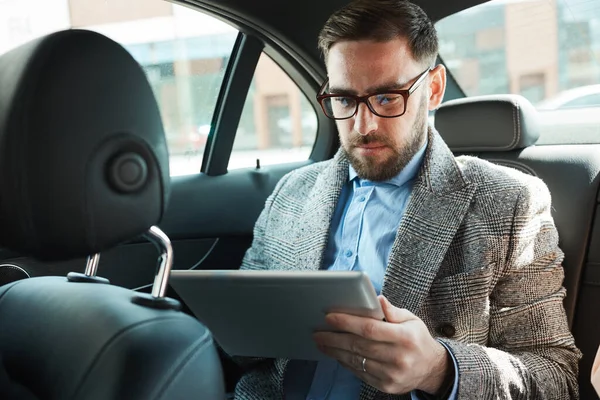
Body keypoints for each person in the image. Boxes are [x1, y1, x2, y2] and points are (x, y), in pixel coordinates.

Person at [232, 0, 581, 398]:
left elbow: (556, 377)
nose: (363, 127)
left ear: (432, 89)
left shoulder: (510, 203)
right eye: (345, 100)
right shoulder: (291, 194)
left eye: (386, 98)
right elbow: (244, 345)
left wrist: (439, 369)